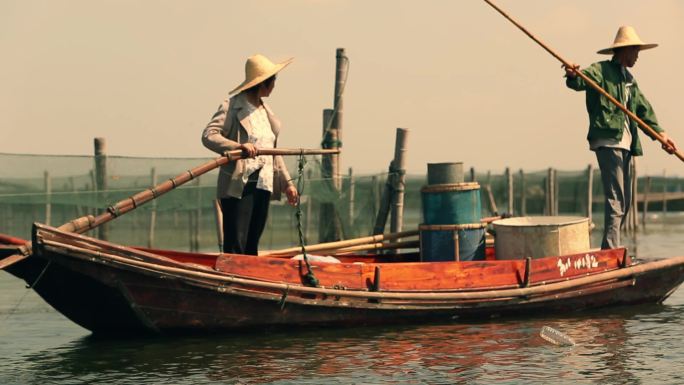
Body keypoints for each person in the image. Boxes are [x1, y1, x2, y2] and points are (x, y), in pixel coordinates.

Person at [564, 26, 676, 249]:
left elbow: (644, 110)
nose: (637, 57)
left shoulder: (630, 81)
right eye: (635, 52)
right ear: (625, 51)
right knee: (616, 199)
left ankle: (610, 247)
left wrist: (662, 136)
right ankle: (611, 252)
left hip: (625, 143)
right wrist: (572, 74)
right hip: (608, 140)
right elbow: (580, 81)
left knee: (623, 202)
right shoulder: (602, 70)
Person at [202, 54, 299, 255]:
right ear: (264, 83)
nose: (275, 85)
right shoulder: (232, 106)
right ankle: (231, 278)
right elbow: (209, 135)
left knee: (252, 241)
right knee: (236, 241)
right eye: (273, 80)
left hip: (264, 183)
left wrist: (288, 183)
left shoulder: (265, 111)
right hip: (240, 183)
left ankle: (249, 277)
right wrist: (238, 147)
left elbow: (272, 151)